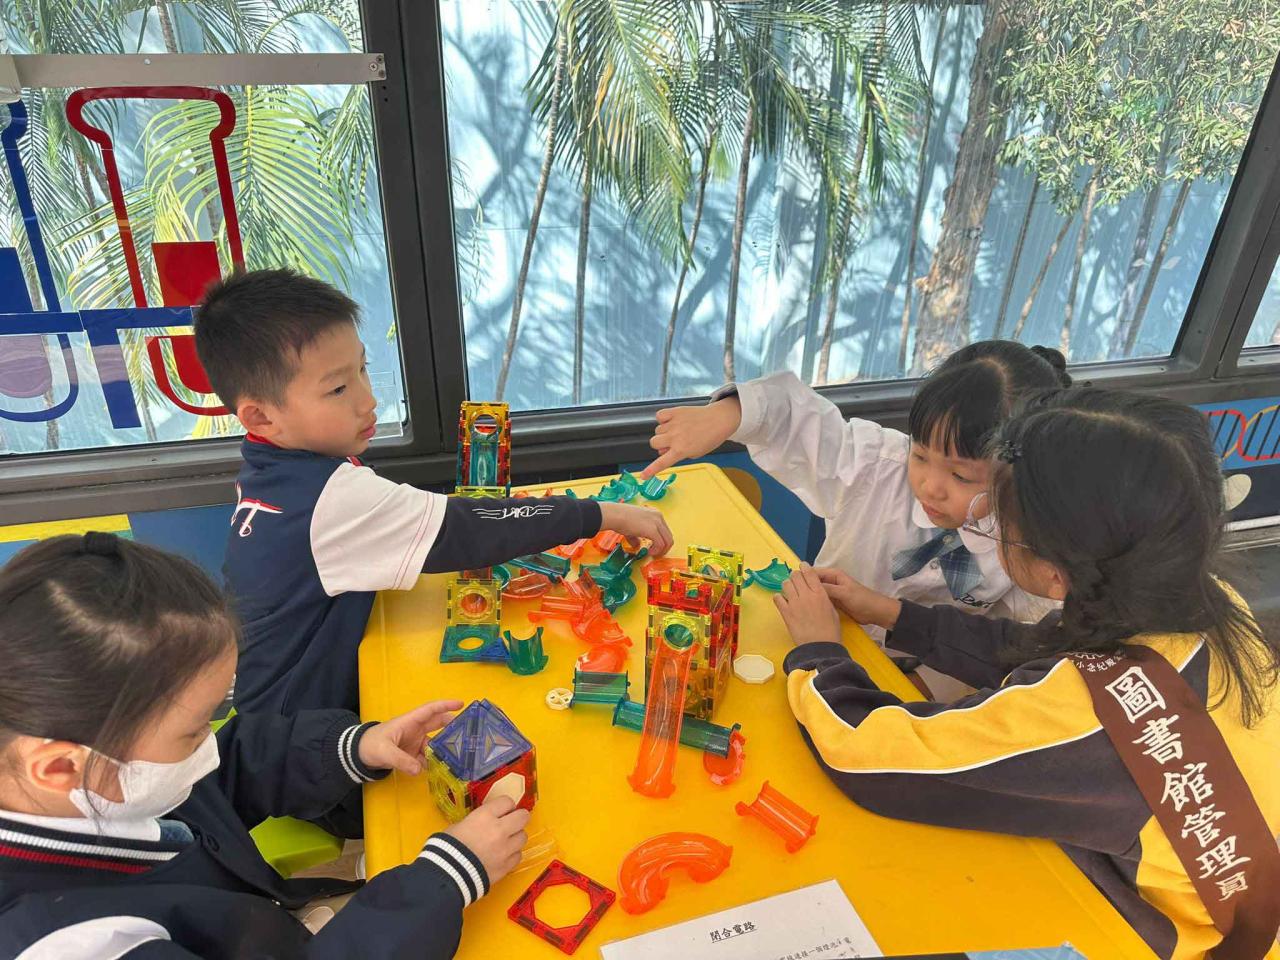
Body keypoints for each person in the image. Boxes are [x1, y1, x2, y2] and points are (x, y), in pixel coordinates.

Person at [773, 388, 1280, 960]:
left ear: (1056, 572)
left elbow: (869, 756)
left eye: (1002, 529)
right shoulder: (1203, 601)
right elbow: (1041, 652)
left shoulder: (1089, 717)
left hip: (1163, 938)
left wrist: (818, 653)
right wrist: (894, 614)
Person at [0, 533, 527, 960]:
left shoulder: (92, 768)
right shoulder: (74, 945)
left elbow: (226, 772)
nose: (208, 748)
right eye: (193, 732)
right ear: (59, 766)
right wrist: (445, 879)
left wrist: (355, 746)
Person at [194, 268, 672, 719]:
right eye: (338, 389)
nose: (368, 399)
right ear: (261, 416)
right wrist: (597, 514)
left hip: (273, 703)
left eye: (363, 369)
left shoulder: (269, 467)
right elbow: (469, 529)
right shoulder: (330, 497)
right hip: (303, 735)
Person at [642, 341, 1071, 630]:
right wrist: (729, 415)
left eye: (960, 476)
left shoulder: (1027, 540)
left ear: (1019, 474)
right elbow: (797, 419)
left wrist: (930, 684)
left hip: (925, 684)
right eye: (921, 454)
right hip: (819, 638)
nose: (930, 486)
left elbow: (1021, 633)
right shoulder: (875, 465)